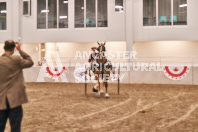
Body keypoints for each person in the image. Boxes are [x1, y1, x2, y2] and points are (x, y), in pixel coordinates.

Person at [0, 40, 34, 132]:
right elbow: (30, 62)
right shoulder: (17, 60)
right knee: (15, 127)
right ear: (13, 49)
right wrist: (20, 50)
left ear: (4, 48)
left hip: (1, 101)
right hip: (15, 100)